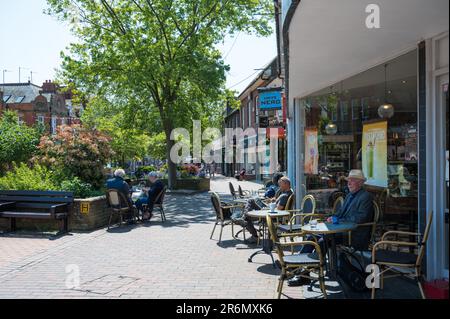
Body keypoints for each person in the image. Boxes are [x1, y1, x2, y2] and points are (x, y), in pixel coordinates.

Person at [288, 169, 374, 287]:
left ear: (360, 182)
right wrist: (332, 217)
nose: (349, 183)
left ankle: (303, 272)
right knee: (313, 236)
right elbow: (340, 213)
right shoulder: (350, 195)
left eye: (352, 180)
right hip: (342, 231)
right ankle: (297, 267)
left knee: (323, 240)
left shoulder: (365, 197)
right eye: (348, 180)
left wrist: (339, 220)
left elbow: (361, 218)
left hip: (354, 235)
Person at [233, 176, 293, 244]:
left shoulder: (285, 195)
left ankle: (254, 235)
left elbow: (279, 208)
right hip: (271, 212)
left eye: (280, 184)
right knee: (253, 200)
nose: (279, 186)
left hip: (272, 215)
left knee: (247, 215)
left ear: (286, 184)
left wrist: (269, 206)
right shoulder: (287, 192)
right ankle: (244, 216)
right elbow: (279, 204)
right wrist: (273, 200)